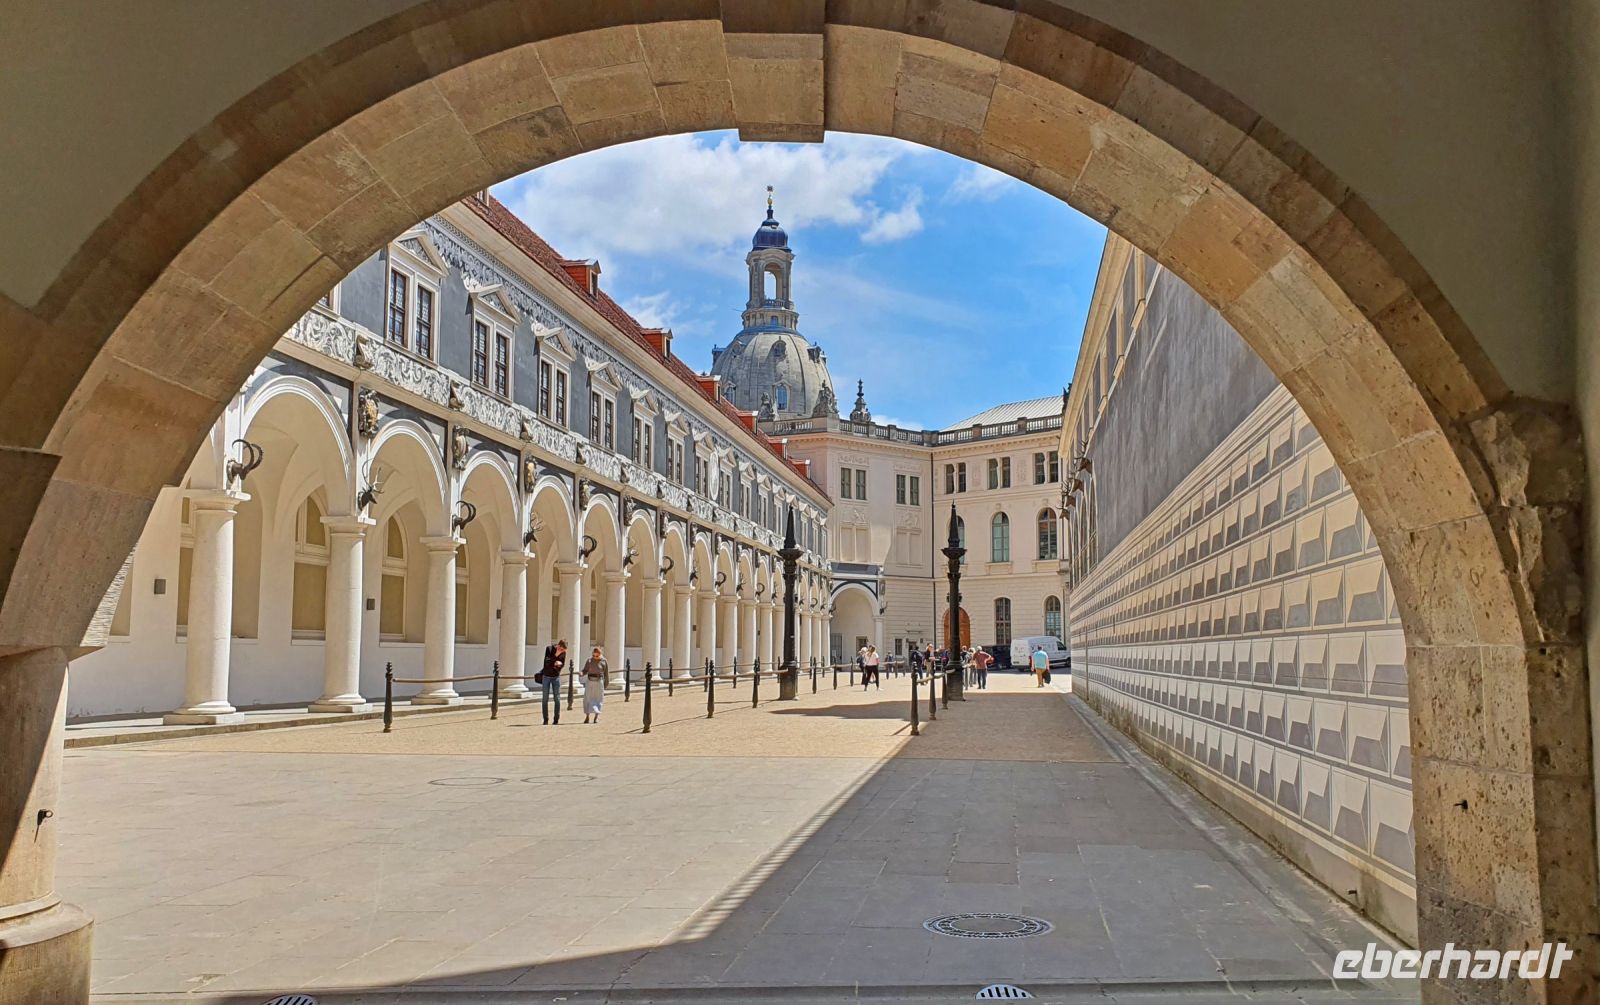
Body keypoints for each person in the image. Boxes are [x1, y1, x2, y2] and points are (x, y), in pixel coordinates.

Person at [538, 639, 567, 725]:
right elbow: (546, 663)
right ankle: (545, 719)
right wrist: (556, 655)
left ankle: (556, 719)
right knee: (545, 698)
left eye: (563, 650)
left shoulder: (563, 652)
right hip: (546, 676)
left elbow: (562, 664)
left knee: (557, 698)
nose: (562, 651)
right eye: (561, 649)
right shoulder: (549, 649)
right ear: (558, 646)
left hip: (556, 677)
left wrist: (558, 665)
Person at [582, 646, 608, 723]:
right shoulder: (589, 660)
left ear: (600, 654)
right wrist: (582, 673)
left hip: (599, 681)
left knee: (598, 698)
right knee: (587, 698)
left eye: (597, 656)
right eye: (593, 655)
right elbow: (585, 670)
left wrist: (606, 683)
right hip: (590, 680)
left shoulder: (604, 661)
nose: (595, 657)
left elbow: (606, 674)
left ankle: (596, 717)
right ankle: (587, 716)